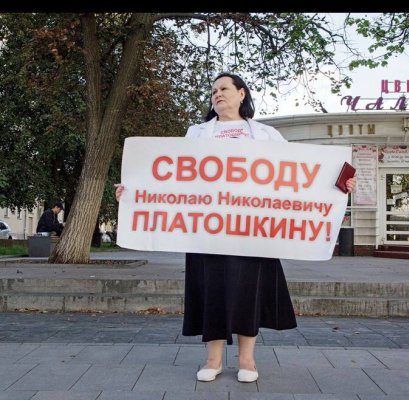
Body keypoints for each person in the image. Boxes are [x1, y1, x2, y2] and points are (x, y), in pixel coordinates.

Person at [115, 72, 356, 383]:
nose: (217, 94)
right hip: (207, 231)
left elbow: (299, 177)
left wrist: (338, 185)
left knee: (248, 293)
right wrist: (135, 190)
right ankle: (212, 360)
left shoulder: (267, 134)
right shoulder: (196, 133)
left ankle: (247, 360)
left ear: (242, 94)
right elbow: (173, 175)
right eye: (213, 90)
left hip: (254, 231)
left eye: (224, 88)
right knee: (211, 290)